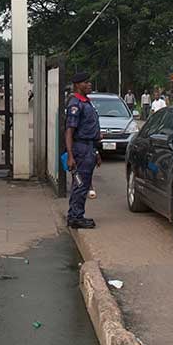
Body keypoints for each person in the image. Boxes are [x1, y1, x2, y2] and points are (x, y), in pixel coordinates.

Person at [65, 72, 102, 229]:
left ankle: (76, 214)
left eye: (89, 82)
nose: (89, 85)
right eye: (85, 83)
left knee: (83, 184)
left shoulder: (86, 102)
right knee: (80, 184)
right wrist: (70, 156)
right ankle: (75, 217)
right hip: (81, 149)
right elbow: (69, 131)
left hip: (89, 147)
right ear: (77, 85)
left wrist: (96, 152)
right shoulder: (75, 104)